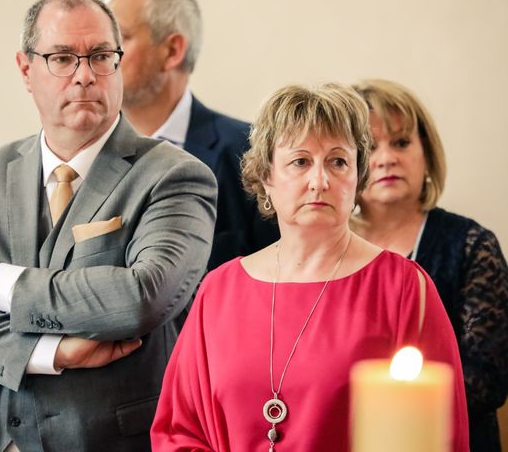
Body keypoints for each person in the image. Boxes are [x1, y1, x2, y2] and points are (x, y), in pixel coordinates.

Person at [0, 0, 217, 451]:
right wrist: (43, 352)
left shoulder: (176, 175)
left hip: (105, 438)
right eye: (63, 58)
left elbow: (141, 298)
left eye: (101, 56)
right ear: (26, 70)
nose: (85, 75)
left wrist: (2, 285)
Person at [150, 83, 469, 451]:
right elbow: (179, 431)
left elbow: (440, 435)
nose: (320, 180)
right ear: (266, 178)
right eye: (300, 162)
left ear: (357, 178)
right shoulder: (219, 289)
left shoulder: (403, 287)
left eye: (337, 161)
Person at [351, 78, 508, 452]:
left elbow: (488, 379)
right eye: (370, 147)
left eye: (402, 142)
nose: (386, 158)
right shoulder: (326, 248)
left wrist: (393, 414)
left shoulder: (471, 245)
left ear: (427, 154)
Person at [106, 0, 279, 269]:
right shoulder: (83, 155)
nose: (102, 56)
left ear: (173, 50)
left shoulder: (251, 149)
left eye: (119, 39)